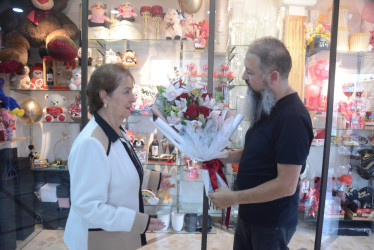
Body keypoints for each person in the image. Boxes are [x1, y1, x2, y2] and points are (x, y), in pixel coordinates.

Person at [209, 37, 314, 250]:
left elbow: (286, 185)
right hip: (251, 214)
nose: (243, 76)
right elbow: (260, 150)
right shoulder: (269, 104)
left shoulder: (293, 118)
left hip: (271, 223)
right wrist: (227, 157)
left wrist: (233, 198)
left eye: (250, 72)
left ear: (273, 76)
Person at [64, 63, 174, 250]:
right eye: (126, 92)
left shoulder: (116, 130)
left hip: (117, 239)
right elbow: (88, 206)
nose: (133, 98)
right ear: (104, 95)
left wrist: (153, 179)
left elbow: (118, 170)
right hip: (98, 243)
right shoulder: (92, 143)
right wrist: (139, 222)